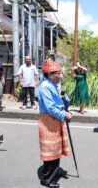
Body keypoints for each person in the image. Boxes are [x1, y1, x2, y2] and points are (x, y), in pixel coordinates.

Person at [38, 59, 72, 187]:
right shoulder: (46, 87)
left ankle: (54, 172)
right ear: (51, 74)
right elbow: (50, 108)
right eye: (58, 73)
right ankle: (47, 179)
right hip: (49, 122)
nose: (60, 76)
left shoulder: (51, 85)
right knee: (50, 150)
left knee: (55, 148)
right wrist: (64, 115)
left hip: (54, 120)